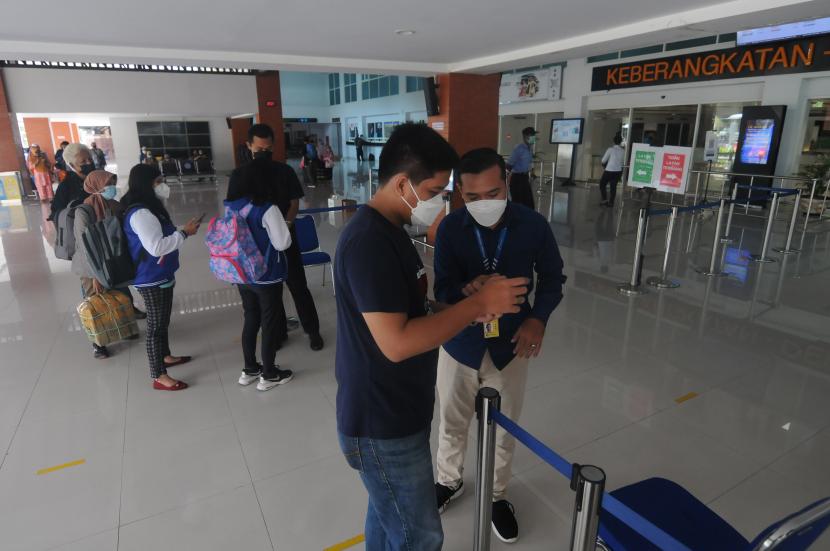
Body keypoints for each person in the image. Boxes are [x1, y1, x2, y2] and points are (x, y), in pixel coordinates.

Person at [334, 123, 529, 550]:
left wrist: (464, 306)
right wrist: (476, 307)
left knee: (387, 522)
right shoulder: (369, 243)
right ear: (403, 183)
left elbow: (415, 312)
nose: (442, 200)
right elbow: (397, 342)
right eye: (437, 190)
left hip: (399, 411)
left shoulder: (392, 231)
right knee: (419, 536)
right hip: (381, 422)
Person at [432, 148, 565, 543]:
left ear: (506, 184)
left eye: (492, 193)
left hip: (511, 346)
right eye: (472, 198)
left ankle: (496, 495)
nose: (483, 204)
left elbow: (554, 278)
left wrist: (537, 319)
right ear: (460, 195)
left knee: (505, 429)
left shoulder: (533, 225)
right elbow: (441, 287)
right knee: (452, 423)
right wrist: (464, 291)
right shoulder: (452, 227)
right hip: (459, 343)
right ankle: (448, 480)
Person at [227, 123, 324, 351]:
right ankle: (278, 333)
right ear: (249, 146)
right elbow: (234, 210)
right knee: (271, 291)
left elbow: (294, 201)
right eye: (259, 149)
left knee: (298, 286)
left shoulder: (284, 171)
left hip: (285, 238)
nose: (264, 154)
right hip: (256, 244)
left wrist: (287, 224)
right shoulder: (239, 175)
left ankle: (313, 331)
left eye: (268, 149)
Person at [122, 164, 201, 391]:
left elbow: (159, 234)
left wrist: (181, 229)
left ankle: (165, 356)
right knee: (156, 326)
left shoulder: (148, 208)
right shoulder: (141, 213)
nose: (162, 186)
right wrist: (184, 233)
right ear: (147, 184)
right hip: (150, 276)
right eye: (158, 182)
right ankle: (158, 375)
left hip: (159, 272)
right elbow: (156, 247)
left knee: (163, 320)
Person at [226, 158, 294, 391]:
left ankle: (249, 369)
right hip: (267, 275)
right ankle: (269, 373)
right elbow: (282, 243)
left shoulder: (232, 206)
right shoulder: (267, 208)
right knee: (270, 322)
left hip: (242, 274)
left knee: (251, 318)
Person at [72, 170, 129, 359]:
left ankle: (124, 328)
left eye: (112, 182)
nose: (111, 188)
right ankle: (98, 344)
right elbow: (84, 245)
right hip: (90, 266)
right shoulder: (84, 211)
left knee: (118, 294)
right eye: (107, 185)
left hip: (112, 260)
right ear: (95, 187)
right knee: (94, 303)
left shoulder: (113, 205)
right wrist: (96, 275)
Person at [49, 143, 93, 221]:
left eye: (90, 159)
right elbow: (56, 213)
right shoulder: (66, 185)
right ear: (72, 165)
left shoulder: (98, 178)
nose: (89, 163)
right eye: (83, 161)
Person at [506, 127, 537, 210]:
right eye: (532, 135)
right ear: (526, 137)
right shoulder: (519, 148)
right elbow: (509, 164)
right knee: (518, 203)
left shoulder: (529, 149)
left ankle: (527, 220)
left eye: (534, 135)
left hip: (524, 178)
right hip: (517, 179)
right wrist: (504, 178)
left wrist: (532, 172)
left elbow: (529, 163)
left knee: (529, 203)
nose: (534, 137)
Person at [599, 134, 625, 207]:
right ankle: (611, 202)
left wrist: (604, 164)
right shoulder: (623, 151)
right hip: (618, 171)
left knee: (602, 184)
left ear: (613, 141)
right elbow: (622, 162)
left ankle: (604, 200)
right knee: (613, 187)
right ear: (621, 142)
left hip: (609, 171)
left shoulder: (610, 149)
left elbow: (603, 160)